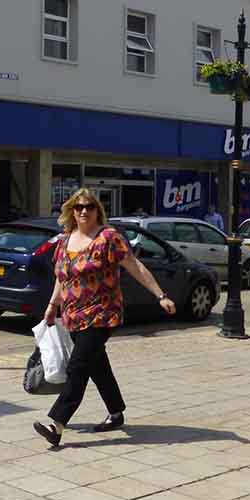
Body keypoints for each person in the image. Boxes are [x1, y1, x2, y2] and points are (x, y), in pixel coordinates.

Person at [33, 188, 177, 448]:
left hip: (102, 313)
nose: (83, 211)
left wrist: (160, 295)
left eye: (89, 206)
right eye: (78, 207)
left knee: (78, 367)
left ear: (98, 209)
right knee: (98, 366)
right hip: (73, 316)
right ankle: (116, 411)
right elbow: (62, 277)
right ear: (71, 211)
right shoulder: (66, 240)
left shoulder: (108, 238)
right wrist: (52, 306)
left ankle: (57, 424)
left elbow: (135, 266)